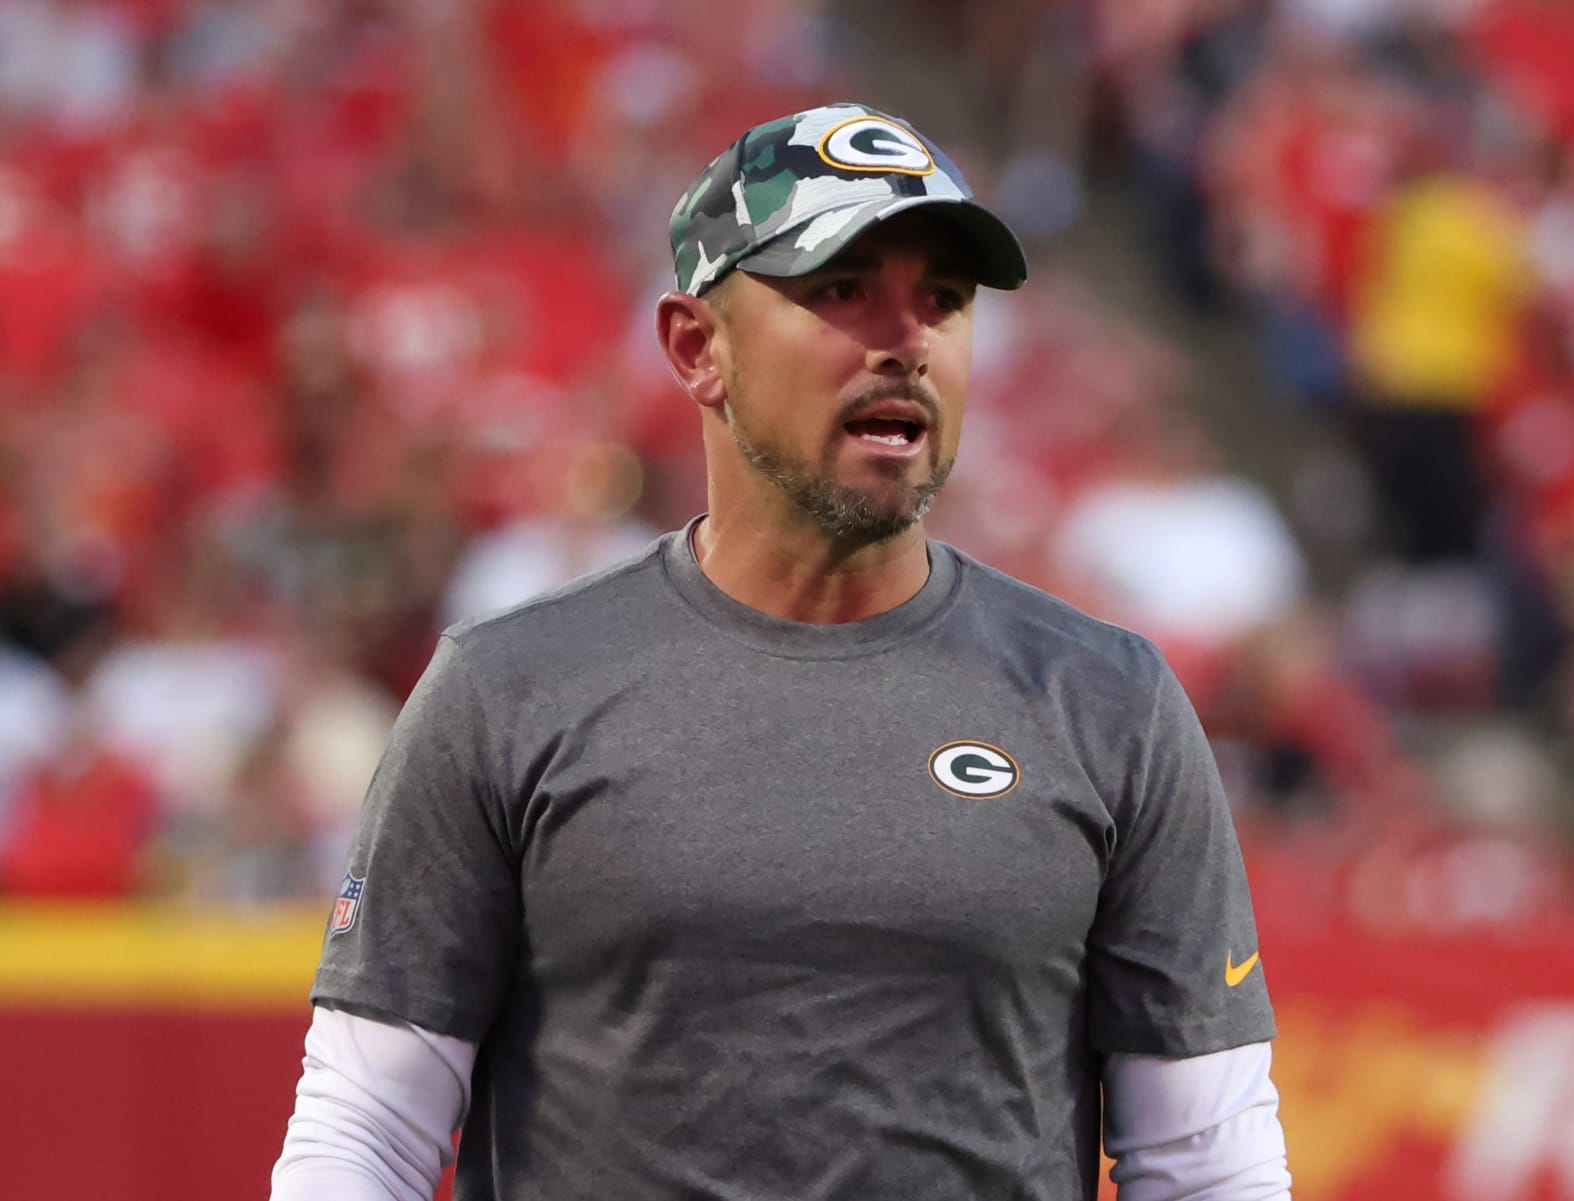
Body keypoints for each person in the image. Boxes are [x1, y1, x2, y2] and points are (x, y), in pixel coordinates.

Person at [269, 102, 1291, 1201]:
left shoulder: (1106, 699)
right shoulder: (509, 687)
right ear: (695, 347)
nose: (905, 340)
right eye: (839, 290)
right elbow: (366, 1131)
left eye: (942, 301)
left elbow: (1206, 1161)